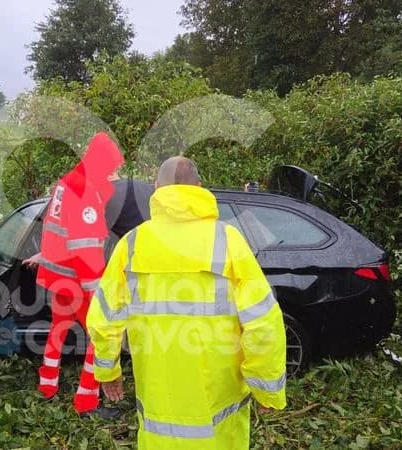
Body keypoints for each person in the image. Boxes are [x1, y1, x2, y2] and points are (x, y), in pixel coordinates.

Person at [87, 156, 287, 449]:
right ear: (199, 187)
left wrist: (108, 372)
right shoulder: (228, 241)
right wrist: (266, 389)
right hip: (218, 409)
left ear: (156, 188)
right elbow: (263, 322)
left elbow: (104, 319)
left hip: (159, 401)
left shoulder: (131, 245)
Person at [23, 131, 124, 418]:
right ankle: (87, 402)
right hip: (77, 278)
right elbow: (85, 248)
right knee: (99, 337)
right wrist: (98, 292)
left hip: (57, 275)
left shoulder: (67, 183)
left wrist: (44, 256)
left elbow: (58, 230)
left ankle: (47, 386)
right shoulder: (85, 193)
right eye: (112, 167)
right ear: (102, 163)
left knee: (59, 327)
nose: (115, 173)